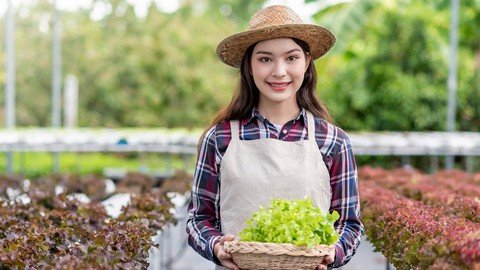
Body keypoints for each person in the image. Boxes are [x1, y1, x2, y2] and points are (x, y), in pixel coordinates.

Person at [186, 5, 363, 270]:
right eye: (265, 59)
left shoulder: (333, 141)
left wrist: (333, 253)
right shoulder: (220, 138)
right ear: (250, 65)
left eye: (291, 58)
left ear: (306, 62)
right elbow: (199, 218)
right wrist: (215, 246)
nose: (279, 71)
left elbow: (349, 223)